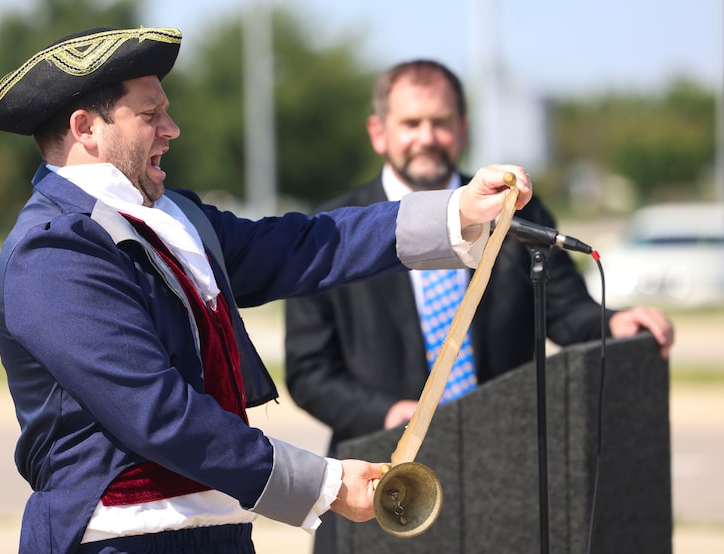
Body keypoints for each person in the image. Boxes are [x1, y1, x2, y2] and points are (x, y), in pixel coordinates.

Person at [0, 29, 532, 553]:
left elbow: (304, 245)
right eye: (150, 114)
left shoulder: (175, 217)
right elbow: (157, 412)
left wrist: (455, 211)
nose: (171, 129)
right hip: (119, 541)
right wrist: (325, 484)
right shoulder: (52, 250)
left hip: (220, 531)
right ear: (85, 128)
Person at [284, 59, 675, 554]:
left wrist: (615, 322)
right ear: (379, 133)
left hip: (500, 479)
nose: (427, 137)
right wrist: (389, 412)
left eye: (441, 122)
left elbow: (566, 310)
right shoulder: (334, 228)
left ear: (463, 129)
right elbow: (309, 371)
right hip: (380, 484)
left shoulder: (514, 209)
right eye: (411, 123)